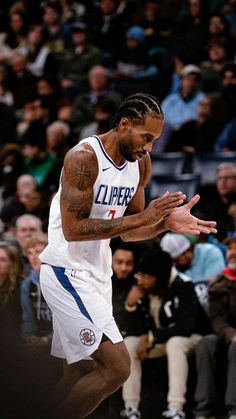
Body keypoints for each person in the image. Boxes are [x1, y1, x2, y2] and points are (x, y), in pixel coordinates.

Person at [39, 92, 217, 419]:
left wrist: (165, 224)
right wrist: (145, 218)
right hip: (66, 272)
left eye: (154, 140)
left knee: (77, 373)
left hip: (97, 275)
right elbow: (73, 229)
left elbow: (129, 231)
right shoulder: (83, 157)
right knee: (118, 367)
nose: (149, 147)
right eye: (145, 137)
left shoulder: (140, 163)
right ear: (124, 125)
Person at [121, 246, 209, 419]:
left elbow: (186, 326)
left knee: (175, 343)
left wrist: (152, 336)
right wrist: (130, 305)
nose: (141, 281)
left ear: (159, 277)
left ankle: (176, 409)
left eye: (147, 277)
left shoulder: (183, 285)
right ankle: (131, 409)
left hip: (192, 337)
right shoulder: (142, 287)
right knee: (129, 343)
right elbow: (133, 328)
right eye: (141, 275)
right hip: (161, 340)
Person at [193, 235, 236, 419]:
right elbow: (217, 319)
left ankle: (233, 409)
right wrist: (231, 334)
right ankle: (204, 410)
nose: (233, 254)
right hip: (229, 334)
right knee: (206, 343)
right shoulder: (219, 284)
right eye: (231, 250)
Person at [160, 233, 225, 283]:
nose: (174, 265)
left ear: (187, 251)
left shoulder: (210, 252)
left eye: (176, 260)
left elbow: (213, 284)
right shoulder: (175, 267)